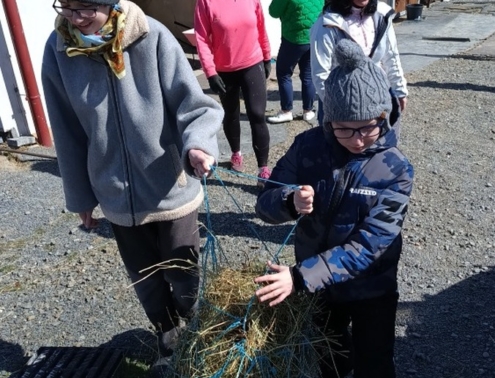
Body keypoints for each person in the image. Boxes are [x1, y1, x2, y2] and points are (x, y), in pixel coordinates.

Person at [42, 0, 223, 358]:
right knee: (145, 278)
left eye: (86, 9)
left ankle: (197, 326)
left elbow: (195, 106)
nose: (76, 19)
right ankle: (168, 335)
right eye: (66, 8)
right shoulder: (58, 48)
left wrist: (198, 145)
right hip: (115, 194)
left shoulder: (150, 37)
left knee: (182, 271)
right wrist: (80, 198)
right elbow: (66, 131)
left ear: (110, 5)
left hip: (170, 186)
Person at [254, 39, 413, 378]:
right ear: (328, 120)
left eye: (368, 127)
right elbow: (263, 201)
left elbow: (370, 244)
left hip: (372, 286)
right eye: (345, 128)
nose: (357, 140)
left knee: (375, 363)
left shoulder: (395, 169)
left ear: (384, 116)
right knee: (329, 348)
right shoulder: (307, 147)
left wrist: (300, 276)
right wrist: (289, 202)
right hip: (320, 288)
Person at [194, 0, 272, 185]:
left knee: (257, 114)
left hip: (252, 63)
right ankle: (236, 153)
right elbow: (202, 38)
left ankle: (263, 168)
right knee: (231, 113)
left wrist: (267, 55)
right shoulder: (206, 3)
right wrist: (210, 72)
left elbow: (261, 26)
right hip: (224, 69)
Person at [311, 0, 408, 128]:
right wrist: (337, 110)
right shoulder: (327, 23)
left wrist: (399, 90)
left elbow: (391, 55)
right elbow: (320, 74)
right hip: (341, 101)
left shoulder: (381, 15)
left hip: (378, 96)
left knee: (381, 143)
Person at [266, 0, 323, 124]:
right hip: (313, 37)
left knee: (284, 73)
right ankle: (308, 111)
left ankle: (286, 111)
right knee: (308, 75)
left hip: (293, 38)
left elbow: (273, 12)